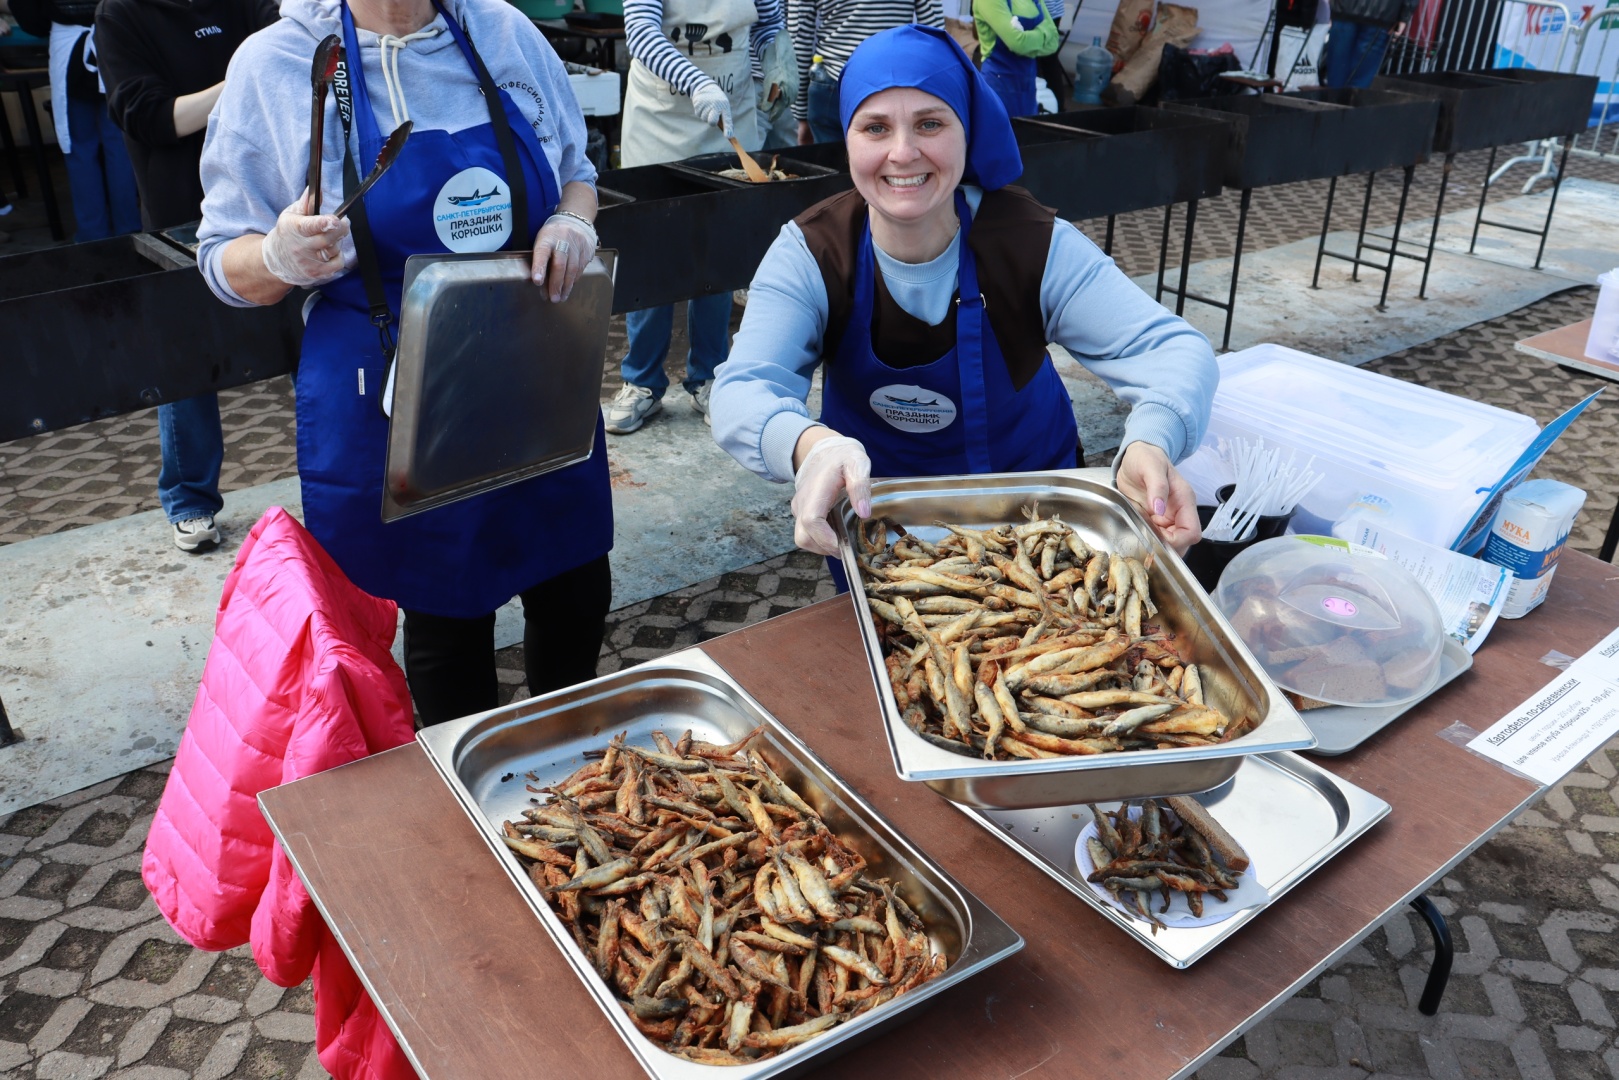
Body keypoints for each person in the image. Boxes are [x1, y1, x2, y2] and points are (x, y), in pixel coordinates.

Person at [195, 0, 612, 724]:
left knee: (574, 588)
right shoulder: (280, 63)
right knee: (446, 617)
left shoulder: (503, 30)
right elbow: (222, 263)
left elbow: (575, 169)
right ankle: (469, 788)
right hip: (393, 395)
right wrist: (275, 255)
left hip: (530, 370)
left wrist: (573, 217)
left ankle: (571, 761)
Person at [710, 25, 1215, 563]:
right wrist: (812, 448)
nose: (903, 153)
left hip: (1040, 534)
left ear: (967, 131)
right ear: (847, 140)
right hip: (884, 542)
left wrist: (1151, 438)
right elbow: (743, 390)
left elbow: (1173, 351)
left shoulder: (1031, 243)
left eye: (930, 123)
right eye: (875, 128)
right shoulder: (812, 253)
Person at [96, 0, 278, 553]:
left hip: (269, 201)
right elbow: (151, 117)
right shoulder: (121, 15)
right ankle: (191, 500)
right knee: (186, 363)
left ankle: (339, 472)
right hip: (182, 212)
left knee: (309, 337)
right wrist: (246, 78)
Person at [604, 0, 786, 435]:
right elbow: (643, 35)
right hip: (661, 121)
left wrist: (776, 56)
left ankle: (709, 376)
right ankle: (641, 382)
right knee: (653, 251)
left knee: (719, 248)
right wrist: (697, 82)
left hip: (731, 111)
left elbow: (767, 21)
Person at [11, 0, 142, 241]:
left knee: (79, 149)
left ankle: (93, 234)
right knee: (120, 145)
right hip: (115, 41)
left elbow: (30, 18)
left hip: (70, 48)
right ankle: (129, 228)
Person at [787, 0, 942, 147]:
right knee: (891, 166)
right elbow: (935, 34)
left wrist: (800, 115)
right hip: (894, 81)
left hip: (833, 83)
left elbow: (798, 37)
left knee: (832, 169)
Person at [972, 0, 1059, 119]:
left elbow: (1054, 42)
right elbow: (1017, 44)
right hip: (999, 87)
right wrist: (1043, 34)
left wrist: (1025, 40)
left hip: (1028, 89)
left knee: (1027, 134)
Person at [1322, 0, 1412, 88]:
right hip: (1384, 12)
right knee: (1361, 78)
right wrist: (1404, 16)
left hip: (1344, 8)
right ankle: (1349, 100)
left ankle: (1334, 99)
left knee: (1337, 70)